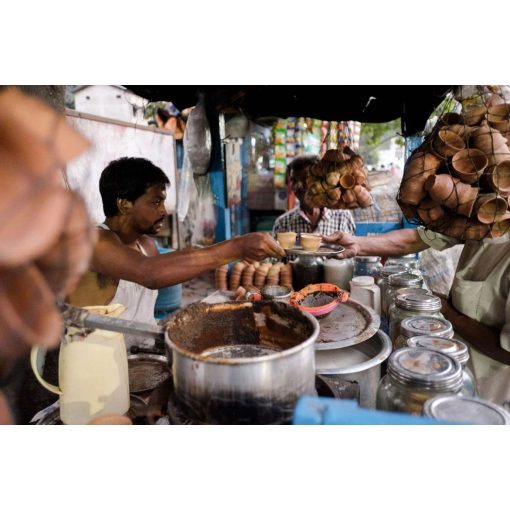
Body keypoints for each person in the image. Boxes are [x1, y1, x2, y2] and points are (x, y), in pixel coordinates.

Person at [68, 157, 285, 347]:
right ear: (124, 204)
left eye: (163, 201)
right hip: (95, 368)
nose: (163, 211)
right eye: (155, 202)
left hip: (140, 359)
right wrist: (237, 246)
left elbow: (143, 319)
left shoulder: (146, 246)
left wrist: (216, 305)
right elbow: (149, 273)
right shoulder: (94, 242)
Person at [323, 226, 510, 406]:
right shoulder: (476, 222)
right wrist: (356, 244)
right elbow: (415, 239)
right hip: (441, 360)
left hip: (490, 388)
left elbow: (506, 350)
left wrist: (449, 313)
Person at [272, 155, 356, 237]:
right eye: (294, 180)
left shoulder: (343, 217)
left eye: (305, 179)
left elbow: (353, 249)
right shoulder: (283, 223)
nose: (298, 185)